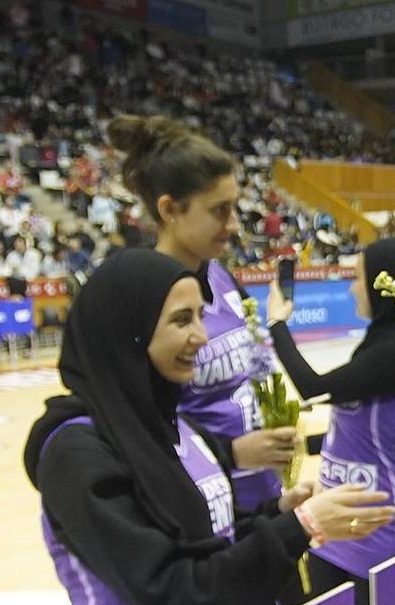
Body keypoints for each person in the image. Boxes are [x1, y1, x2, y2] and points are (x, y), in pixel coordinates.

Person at [25, 250, 392, 605]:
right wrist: (300, 527)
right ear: (129, 332)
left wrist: (275, 514)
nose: (201, 336)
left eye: (201, 315)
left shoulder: (165, 423)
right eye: (181, 320)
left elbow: (206, 534)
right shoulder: (76, 455)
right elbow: (173, 587)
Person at [268, 238, 395, 605]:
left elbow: (314, 388)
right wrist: (304, 446)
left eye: (357, 277)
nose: (352, 287)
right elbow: (364, 429)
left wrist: (277, 324)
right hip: (336, 530)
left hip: (387, 533)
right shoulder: (384, 343)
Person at [113, 115, 297, 511]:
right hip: (202, 504)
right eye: (219, 210)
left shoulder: (221, 276)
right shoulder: (140, 300)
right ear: (169, 210)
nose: (233, 225)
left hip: (262, 496)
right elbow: (139, 428)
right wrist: (230, 453)